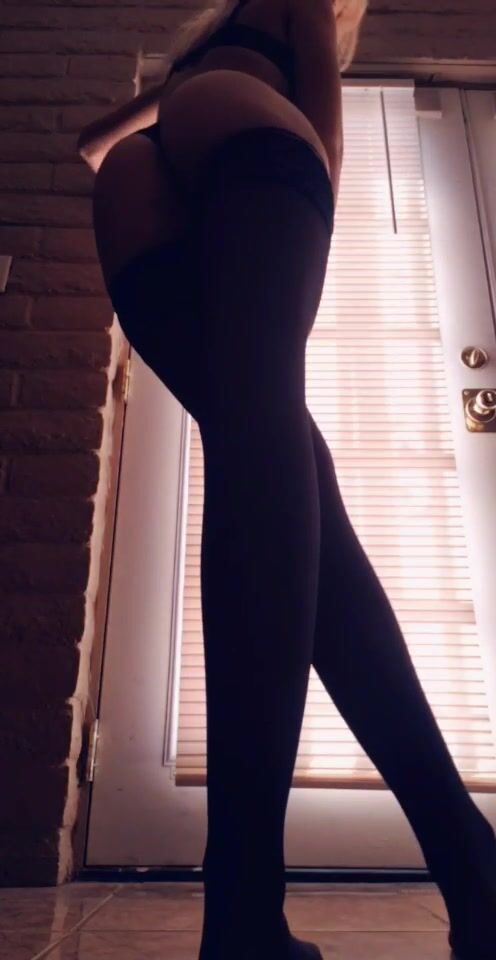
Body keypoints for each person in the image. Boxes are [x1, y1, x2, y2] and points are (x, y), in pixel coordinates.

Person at [78, 2, 496, 957]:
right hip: (241, 142)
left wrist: (176, 101)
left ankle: (434, 872)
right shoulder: (286, 12)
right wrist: (314, 201)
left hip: (141, 179)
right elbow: (322, 122)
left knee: (269, 457)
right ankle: (255, 908)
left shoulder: (217, 38)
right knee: (271, 454)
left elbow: (97, 145)